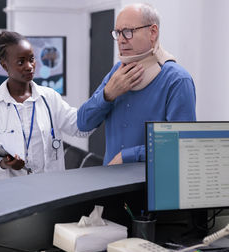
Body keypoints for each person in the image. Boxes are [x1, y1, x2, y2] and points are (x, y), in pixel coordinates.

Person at [77, 3, 196, 165]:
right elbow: (83, 123)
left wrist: (129, 156)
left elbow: (181, 145)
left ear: (152, 32)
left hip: (150, 186)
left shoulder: (177, 80)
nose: (120, 40)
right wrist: (107, 95)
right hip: (110, 184)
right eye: (117, 33)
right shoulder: (116, 73)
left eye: (128, 32)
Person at [0, 31, 89, 180]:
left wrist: (104, 100)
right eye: (21, 62)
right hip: (10, 190)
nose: (29, 66)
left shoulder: (50, 97)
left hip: (49, 186)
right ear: (4, 65)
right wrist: (3, 163)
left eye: (31, 59)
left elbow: (78, 127)